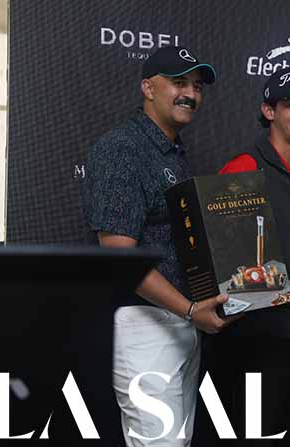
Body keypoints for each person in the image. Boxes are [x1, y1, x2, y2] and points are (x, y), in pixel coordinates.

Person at [84, 46, 240, 447]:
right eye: (178, 82)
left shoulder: (173, 153)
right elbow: (119, 254)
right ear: (148, 88)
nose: (190, 93)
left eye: (197, 86)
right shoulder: (122, 148)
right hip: (145, 324)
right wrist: (188, 309)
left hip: (183, 322)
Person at [212, 67, 290, 445]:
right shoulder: (242, 169)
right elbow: (226, 269)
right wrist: (284, 291)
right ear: (269, 111)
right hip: (258, 345)